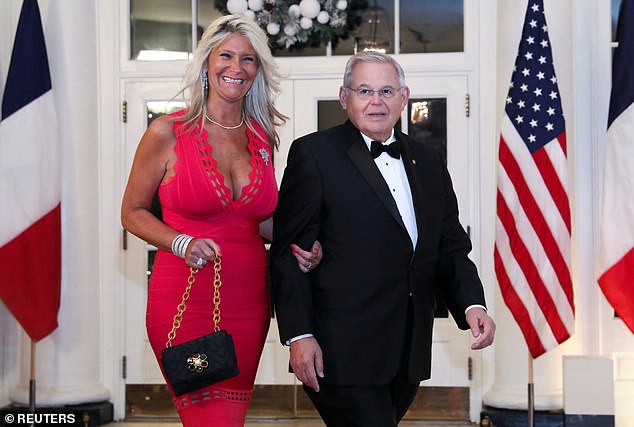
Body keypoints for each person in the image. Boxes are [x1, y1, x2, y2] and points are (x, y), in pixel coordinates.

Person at [270, 52, 496, 426]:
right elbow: (287, 254)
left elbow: (449, 246)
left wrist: (473, 304)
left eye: (387, 90)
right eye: (364, 91)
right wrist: (299, 334)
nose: (377, 101)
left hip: (408, 352)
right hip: (340, 351)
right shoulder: (314, 155)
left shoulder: (429, 160)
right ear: (344, 98)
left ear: (404, 97)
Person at [120, 15, 322, 427]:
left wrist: (299, 244)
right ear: (206, 65)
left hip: (248, 300)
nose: (236, 67)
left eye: (248, 59)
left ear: (257, 71)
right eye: (225, 55)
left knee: (231, 415)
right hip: (183, 296)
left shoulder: (261, 136)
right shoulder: (168, 131)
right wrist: (181, 242)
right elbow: (132, 212)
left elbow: (258, 221)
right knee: (211, 420)